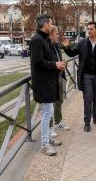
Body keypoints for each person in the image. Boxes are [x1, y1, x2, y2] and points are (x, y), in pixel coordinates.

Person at [62, 21, 96, 132]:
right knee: (88, 98)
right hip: (86, 76)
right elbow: (72, 53)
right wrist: (66, 47)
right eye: (88, 29)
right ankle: (87, 122)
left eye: (91, 29)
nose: (89, 31)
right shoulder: (82, 43)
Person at [30, 14, 65, 156]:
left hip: (48, 82)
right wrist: (55, 64)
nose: (51, 26)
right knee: (46, 114)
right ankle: (44, 144)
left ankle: (47, 139)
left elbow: (48, 59)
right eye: (50, 23)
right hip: (43, 84)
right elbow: (37, 62)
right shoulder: (37, 39)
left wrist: (57, 65)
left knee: (48, 113)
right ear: (45, 25)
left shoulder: (44, 39)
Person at [48, 25, 70, 137]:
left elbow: (58, 60)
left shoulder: (56, 46)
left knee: (59, 101)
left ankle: (58, 121)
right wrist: (56, 66)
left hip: (60, 77)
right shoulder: (47, 46)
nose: (58, 36)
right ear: (50, 35)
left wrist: (63, 64)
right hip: (51, 79)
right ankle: (50, 126)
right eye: (56, 34)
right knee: (50, 104)